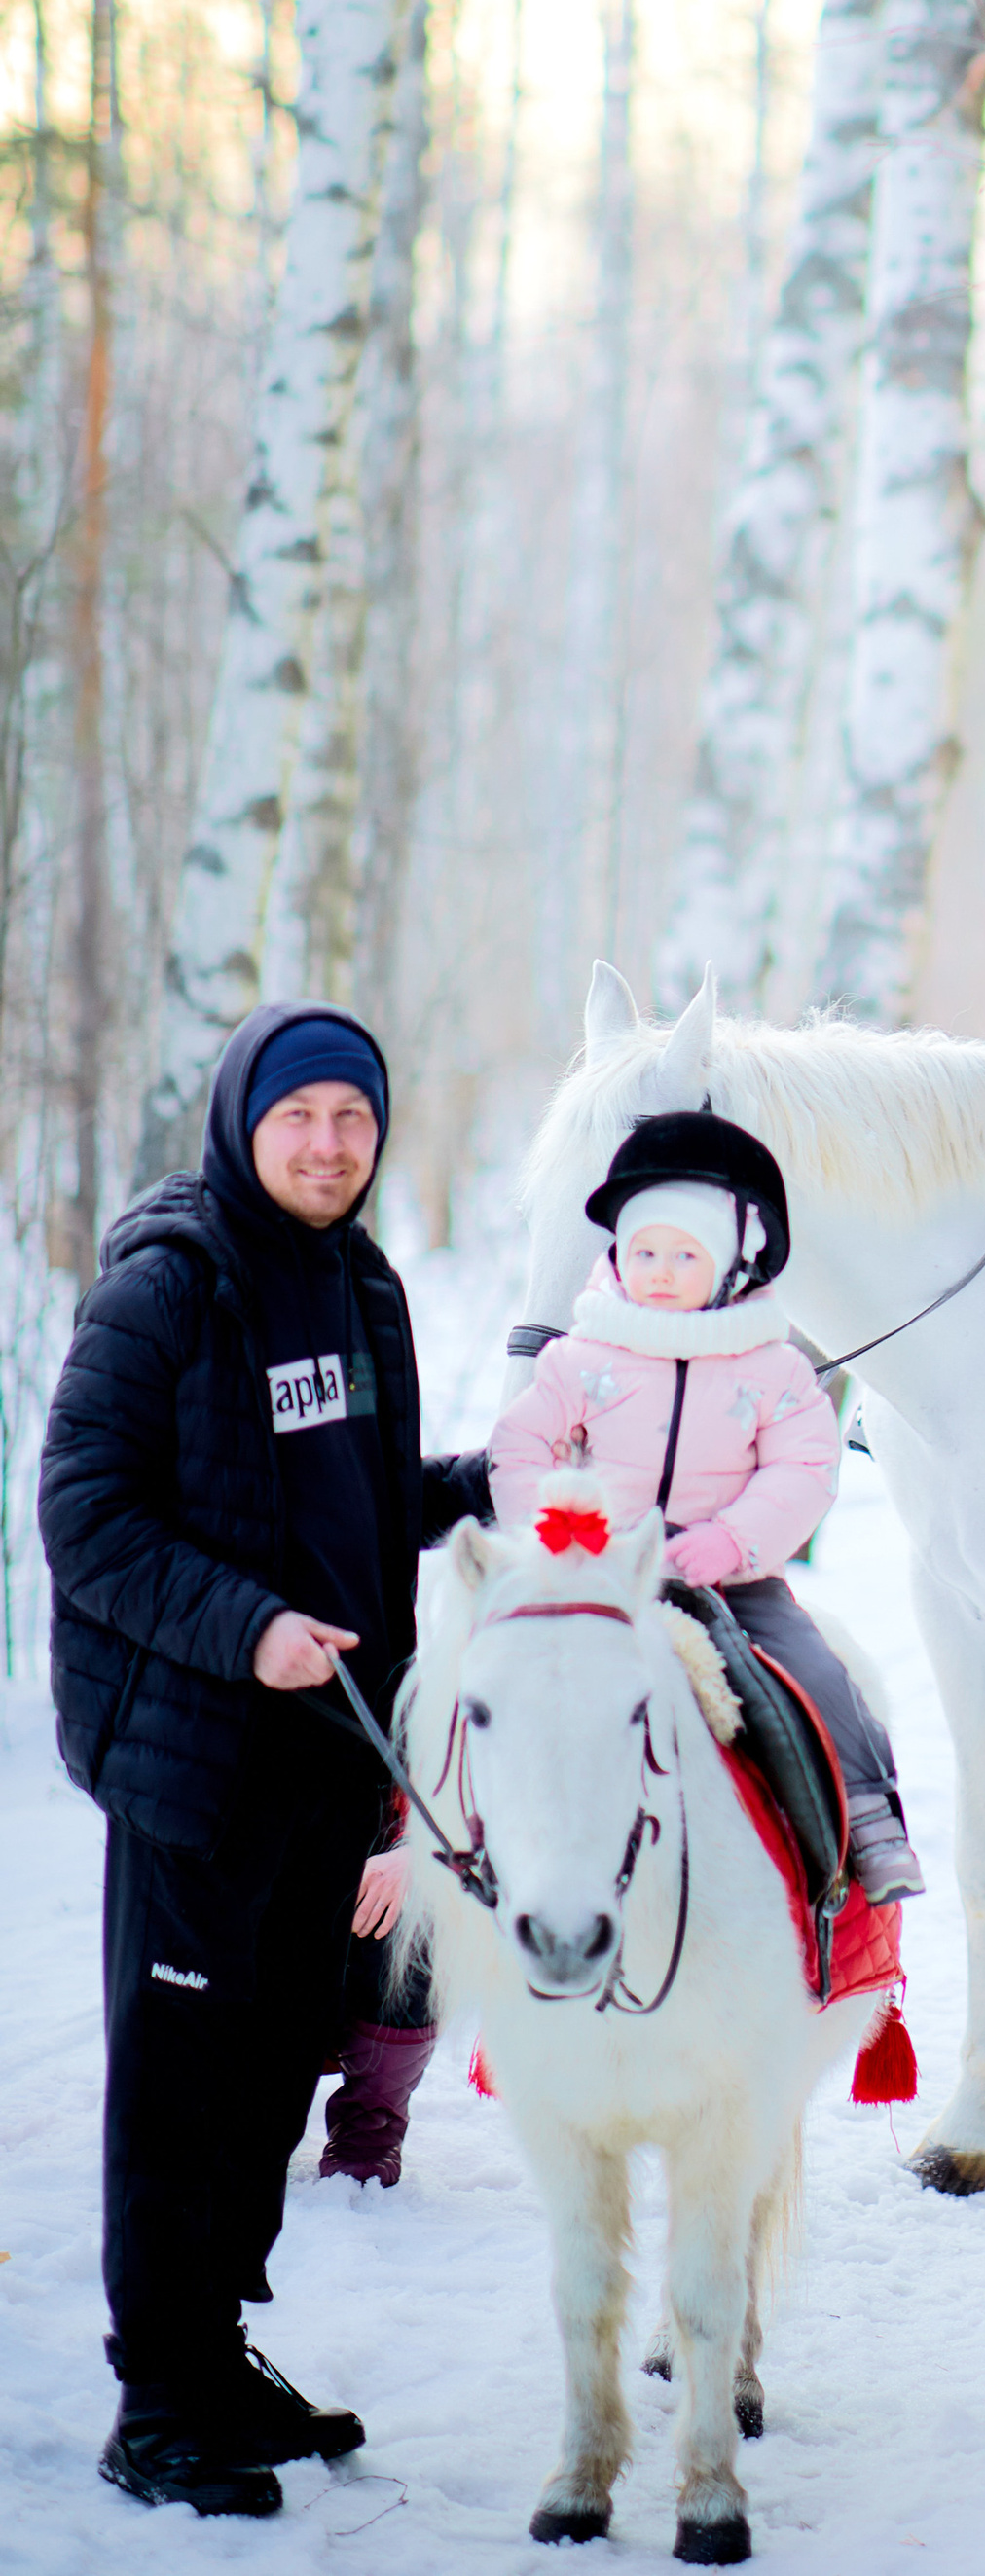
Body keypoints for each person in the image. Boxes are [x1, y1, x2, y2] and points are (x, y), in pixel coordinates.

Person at [39, 1001, 488, 2520]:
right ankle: (157, 2401)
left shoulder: (361, 1281)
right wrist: (249, 1630)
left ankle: (218, 2348)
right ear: (243, 1122)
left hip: (322, 1762)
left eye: (352, 1119)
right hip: (198, 1753)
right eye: (297, 1117)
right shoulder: (168, 1288)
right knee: (176, 2086)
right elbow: (86, 1517)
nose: (326, 1144)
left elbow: (350, 1493)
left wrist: (473, 1487)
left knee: (271, 2071)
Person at [487, 1109, 924, 1904]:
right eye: (643, 1250)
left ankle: (866, 1814)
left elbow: (805, 1465)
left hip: (733, 1577)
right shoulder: (580, 1356)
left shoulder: (769, 1367)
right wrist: (558, 1526)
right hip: (599, 1567)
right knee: (501, 1673)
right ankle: (481, 1832)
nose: (658, 1270)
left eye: (684, 1255)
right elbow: (518, 1450)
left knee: (815, 1669)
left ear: (729, 1263)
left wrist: (735, 1540)